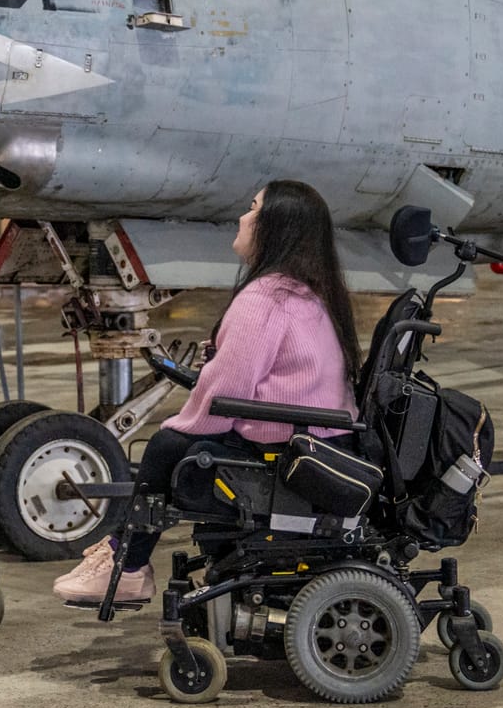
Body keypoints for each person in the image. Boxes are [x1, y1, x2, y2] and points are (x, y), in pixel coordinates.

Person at [52, 180, 360, 604]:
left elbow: (225, 393)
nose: (242, 217)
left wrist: (185, 423)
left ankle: (128, 565)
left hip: (288, 449)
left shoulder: (265, 297)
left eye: (253, 209)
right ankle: (125, 559)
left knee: (165, 445)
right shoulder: (307, 292)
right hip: (318, 438)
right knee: (177, 440)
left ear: (276, 226)